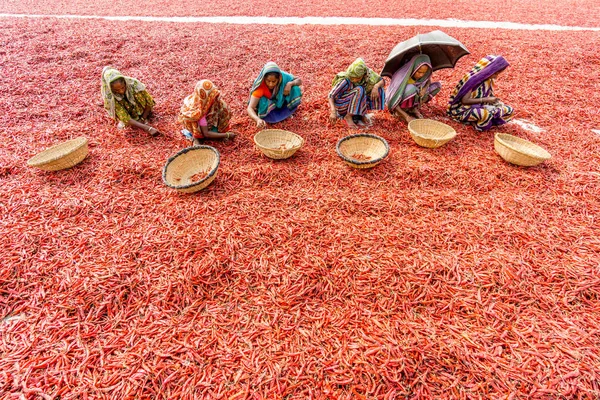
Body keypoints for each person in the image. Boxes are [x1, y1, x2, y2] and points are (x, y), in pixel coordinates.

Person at [447, 55, 514, 131]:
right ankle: (477, 124)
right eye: (495, 74)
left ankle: (478, 120)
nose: (496, 77)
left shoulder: (488, 80)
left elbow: (488, 95)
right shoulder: (472, 80)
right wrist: (486, 100)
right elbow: (464, 101)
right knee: (485, 114)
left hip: (481, 105)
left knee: (509, 110)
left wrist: (493, 102)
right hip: (463, 109)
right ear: (488, 70)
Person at [100, 66, 161, 136]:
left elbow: (149, 102)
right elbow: (124, 117)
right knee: (123, 128)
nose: (121, 91)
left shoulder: (134, 85)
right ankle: (136, 122)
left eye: (123, 87)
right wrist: (148, 128)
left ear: (125, 82)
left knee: (139, 96)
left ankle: (141, 118)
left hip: (142, 112)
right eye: (116, 90)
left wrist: (143, 118)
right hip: (128, 117)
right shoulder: (110, 96)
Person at [328, 58, 385, 129]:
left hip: (354, 102)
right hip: (343, 105)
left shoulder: (368, 74)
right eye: (352, 77)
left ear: (364, 74)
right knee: (359, 89)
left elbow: (382, 81)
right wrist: (333, 112)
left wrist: (376, 87)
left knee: (378, 88)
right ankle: (348, 116)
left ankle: (361, 114)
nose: (353, 79)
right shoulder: (346, 79)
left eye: (356, 77)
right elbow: (331, 95)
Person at [386, 54, 441, 123]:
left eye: (424, 72)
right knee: (411, 89)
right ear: (414, 68)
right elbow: (392, 99)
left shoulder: (423, 76)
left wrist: (424, 89)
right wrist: (407, 117)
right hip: (398, 101)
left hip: (414, 94)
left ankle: (412, 108)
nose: (421, 75)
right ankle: (402, 112)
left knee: (437, 86)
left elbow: (428, 80)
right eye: (419, 72)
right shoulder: (401, 76)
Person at [179, 79, 235, 145]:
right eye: (211, 97)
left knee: (221, 109)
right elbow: (206, 134)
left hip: (207, 122)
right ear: (206, 98)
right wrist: (226, 135)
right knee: (199, 139)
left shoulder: (211, 102)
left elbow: (224, 111)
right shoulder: (199, 113)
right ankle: (195, 138)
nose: (215, 98)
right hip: (198, 126)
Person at [247, 62, 302, 129]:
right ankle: (270, 116)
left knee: (295, 88)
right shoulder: (260, 87)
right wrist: (257, 119)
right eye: (268, 81)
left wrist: (290, 84)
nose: (271, 84)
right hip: (269, 108)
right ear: (264, 78)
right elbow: (250, 108)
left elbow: (299, 80)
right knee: (262, 100)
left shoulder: (282, 76)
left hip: (280, 102)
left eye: (274, 81)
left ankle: (286, 111)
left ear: (278, 79)